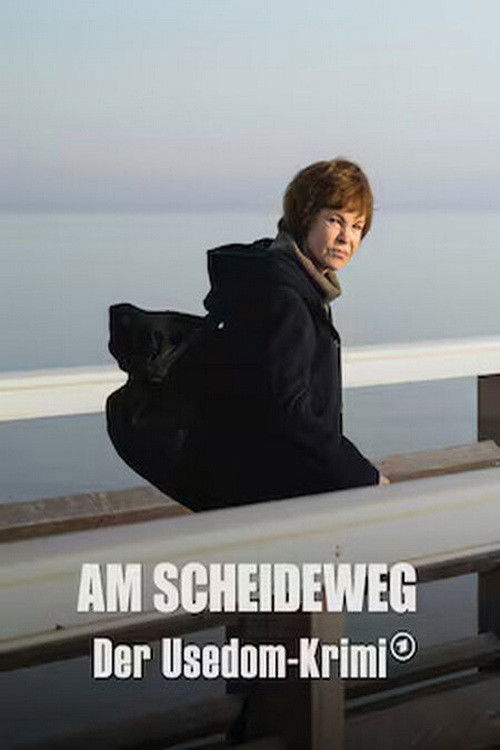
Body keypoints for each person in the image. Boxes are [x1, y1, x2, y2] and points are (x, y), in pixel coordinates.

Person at [174, 158, 386, 511]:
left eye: (357, 226)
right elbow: (291, 410)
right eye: (335, 220)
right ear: (305, 217)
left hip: (270, 486)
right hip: (274, 494)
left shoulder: (291, 280)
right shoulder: (284, 296)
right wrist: (363, 475)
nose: (346, 238)